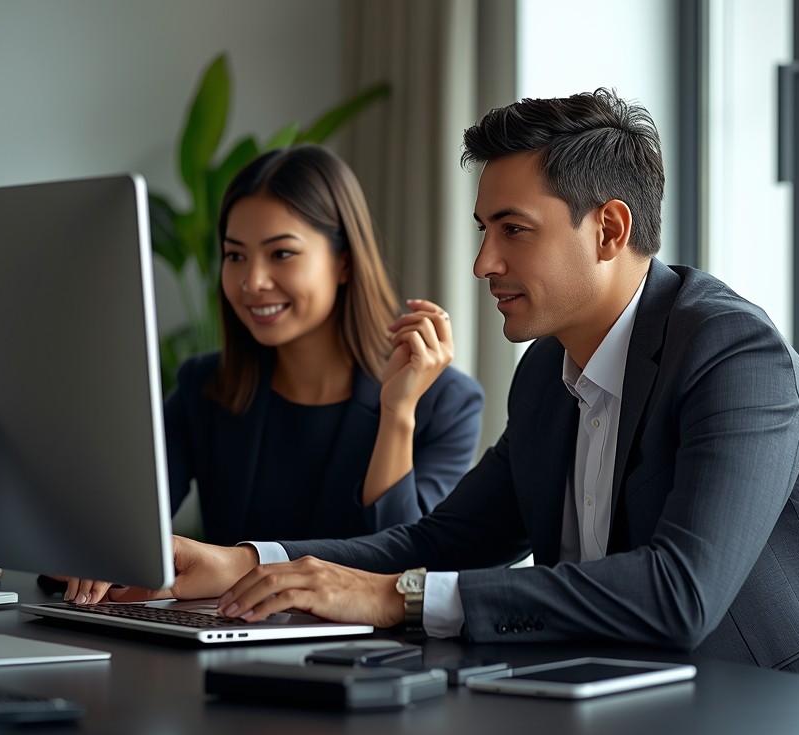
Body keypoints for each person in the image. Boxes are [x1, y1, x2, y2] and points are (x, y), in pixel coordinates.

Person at [94, 91, 799, 685]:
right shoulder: (546, 371)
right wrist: (243, 562)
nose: (482, 264)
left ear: (608, 229)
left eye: (513, 230)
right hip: (601, 696)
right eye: (483, 231)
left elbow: (680, 594)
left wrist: (394, 598)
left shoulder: (731, 353)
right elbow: (436, 543)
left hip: (769, 708)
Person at [61, 145, 484, 601]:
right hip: (222, 641)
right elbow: (121, 531)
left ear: (343, 262)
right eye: (235, 255)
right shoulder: (204, 388)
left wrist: (398, 411)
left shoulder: (448, 402)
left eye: (281, 254)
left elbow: (408, 565)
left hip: (367, 654)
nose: (252, 281)